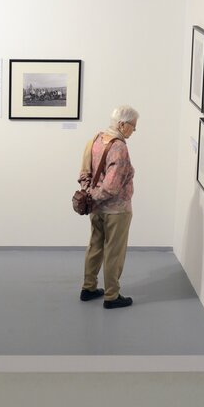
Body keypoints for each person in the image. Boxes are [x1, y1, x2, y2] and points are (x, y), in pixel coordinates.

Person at [78, 105, 139, 309]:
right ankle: (112, 296)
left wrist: (90, 196)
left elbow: (84, 173)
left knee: (95, 246)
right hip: (117, 210)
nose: (134, 130)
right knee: (114, 252)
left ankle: (88, 288)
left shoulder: (96, 139)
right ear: (122, 124)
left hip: (96, 209)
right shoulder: (119, 148)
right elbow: (112, 187)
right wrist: (97, 197)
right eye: (133, 125)